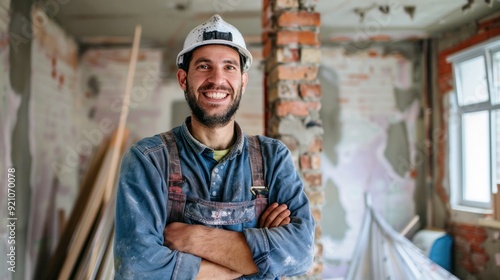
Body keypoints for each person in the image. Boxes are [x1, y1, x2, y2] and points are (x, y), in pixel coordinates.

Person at [114, 14, 315, 279]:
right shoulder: (149, 160)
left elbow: (300, 255)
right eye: (204, 66)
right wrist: (256, 260)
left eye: (229, 67)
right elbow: (137, 269)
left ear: (243, 81)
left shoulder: (272, 157)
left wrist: (193, 238)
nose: (217, 79)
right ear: (183, 79)